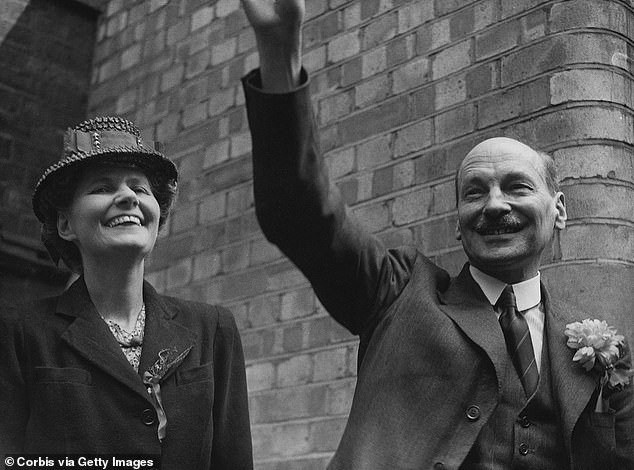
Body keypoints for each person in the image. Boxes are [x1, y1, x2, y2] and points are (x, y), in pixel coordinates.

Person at [239, 1, 634, 469]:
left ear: (559, 210)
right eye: (474, 193)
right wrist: (279, 46)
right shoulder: (399, 292)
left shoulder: (599, 350)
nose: (493, 205)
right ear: (458, 221)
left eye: (516, 187)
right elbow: (300, 213)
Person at [0, 116, 253, 469]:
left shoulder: (213, 330)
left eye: (140, 188)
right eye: (102, 188)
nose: (128, 197)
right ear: (65, 223)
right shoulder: (19, 332)